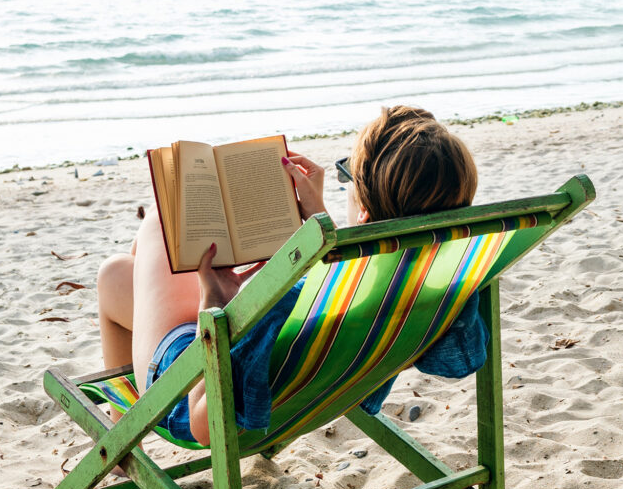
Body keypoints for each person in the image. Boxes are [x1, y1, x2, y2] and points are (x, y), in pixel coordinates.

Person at [96, 106, 488, 447]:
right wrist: (324, 233)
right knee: (123, 272)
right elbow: (458, 361)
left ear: (364, 211)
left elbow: (205, 426)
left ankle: (122, 436)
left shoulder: (293, 302)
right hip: (306, 394)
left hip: (183, 388)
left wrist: (213, 306)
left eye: (346, 179)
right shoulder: (448, 284)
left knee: (147, 236)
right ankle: (120, 431)